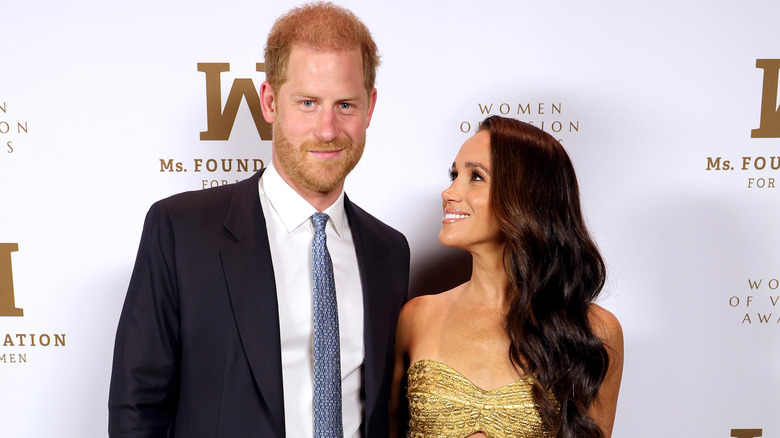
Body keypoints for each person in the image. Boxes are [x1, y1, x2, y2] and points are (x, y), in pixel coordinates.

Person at [108, 3, 410, 437]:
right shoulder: (182, 231)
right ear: (269, 102)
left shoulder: (389, 250)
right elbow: (137, 408)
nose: (327, 129)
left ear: (370, 107)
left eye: (345, 104)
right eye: (307, 103)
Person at [390, 115, 623, 438]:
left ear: (526, 196)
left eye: (475, 177)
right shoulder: (417, 316)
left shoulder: (593, 330)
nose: (449, 192)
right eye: (454, 174)